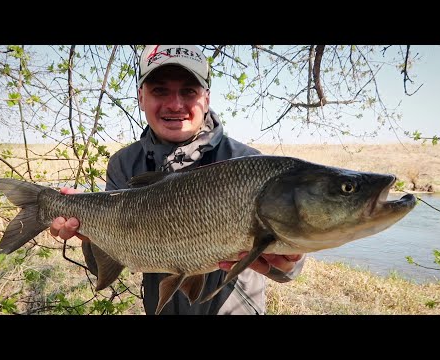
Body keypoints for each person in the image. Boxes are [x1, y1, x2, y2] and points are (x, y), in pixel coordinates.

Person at [50, 45, 306, 315]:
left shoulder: (246, 163)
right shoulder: (125, 163)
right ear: (141, 97)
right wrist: (86, 230)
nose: (175, 104)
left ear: (206, 99)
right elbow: (109, 260)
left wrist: (289, 263)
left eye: (189, 91)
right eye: (160, 90)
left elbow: (287, 270)